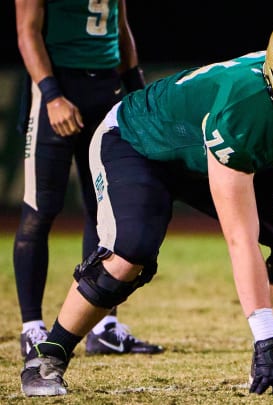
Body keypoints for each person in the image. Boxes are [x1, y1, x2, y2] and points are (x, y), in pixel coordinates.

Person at [19, 12, 273, 396]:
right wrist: (260, 339)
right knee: (130, 252)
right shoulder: (243, 107)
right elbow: (241, 239)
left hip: (211, 153)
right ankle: (48, 355)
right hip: (141, 144)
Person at [14, 0, 162, 358]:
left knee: (105, 210)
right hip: (59, 84)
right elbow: (27, 30)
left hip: (106, 88)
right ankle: (32, 327)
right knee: (41, 208)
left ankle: (103, 325)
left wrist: (135, 86)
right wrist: (51, 95)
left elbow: (119, 26)